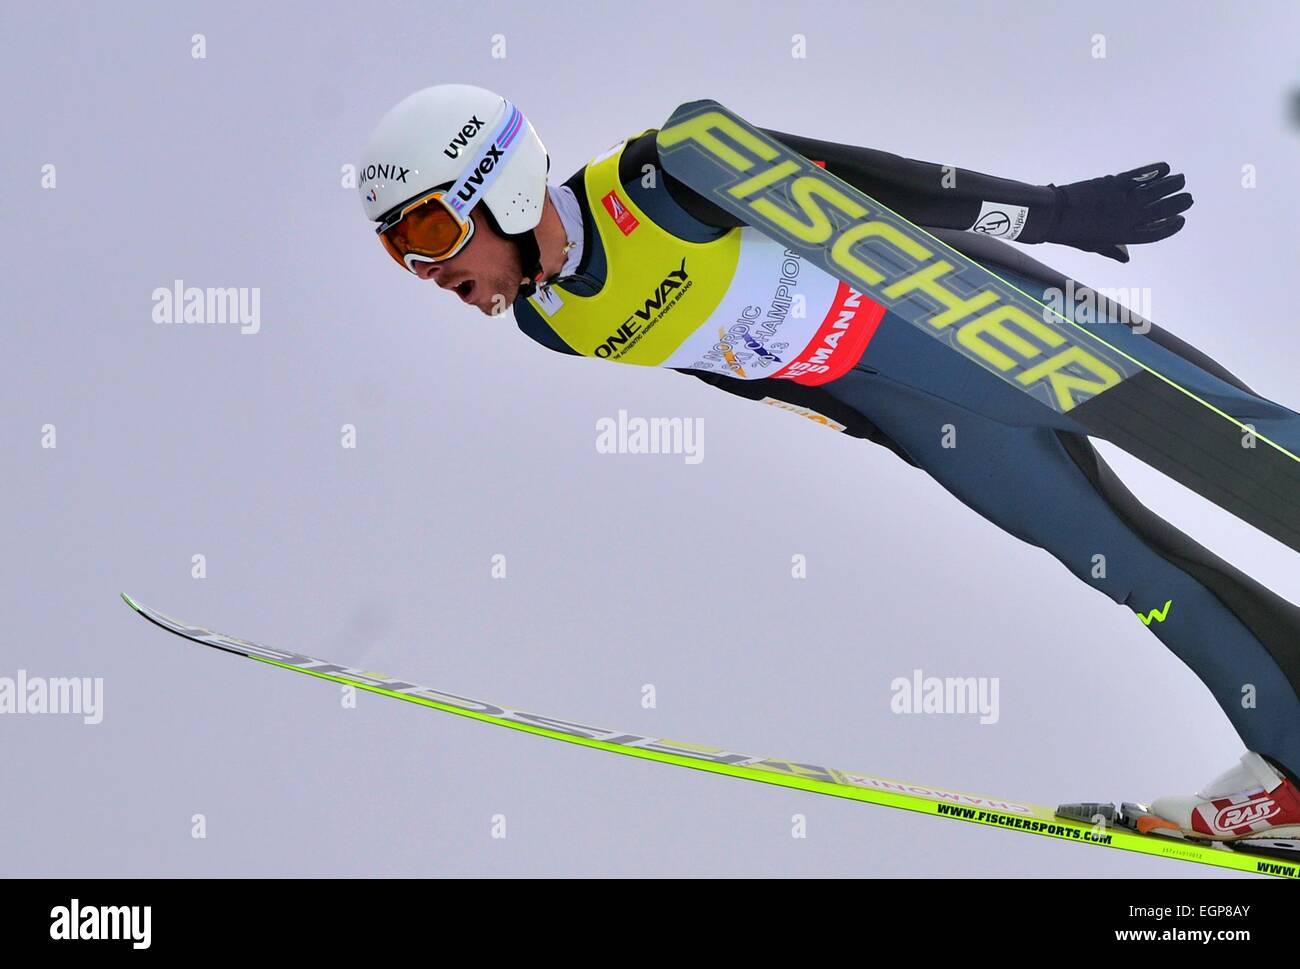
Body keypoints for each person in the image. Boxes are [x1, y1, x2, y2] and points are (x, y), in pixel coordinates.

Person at [357, 83, 1300, 848]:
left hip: (957, 316)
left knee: (1228, 435)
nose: (428, 270)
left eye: (431, 234)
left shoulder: (659, 173)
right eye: (402, 253)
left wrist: (1054, 212)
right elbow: (733, 366)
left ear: (502, 184)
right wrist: (876, 429)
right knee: (1134, 571)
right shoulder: (551, 324)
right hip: (912, 409)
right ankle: (1291, 755)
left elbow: (869, 183)